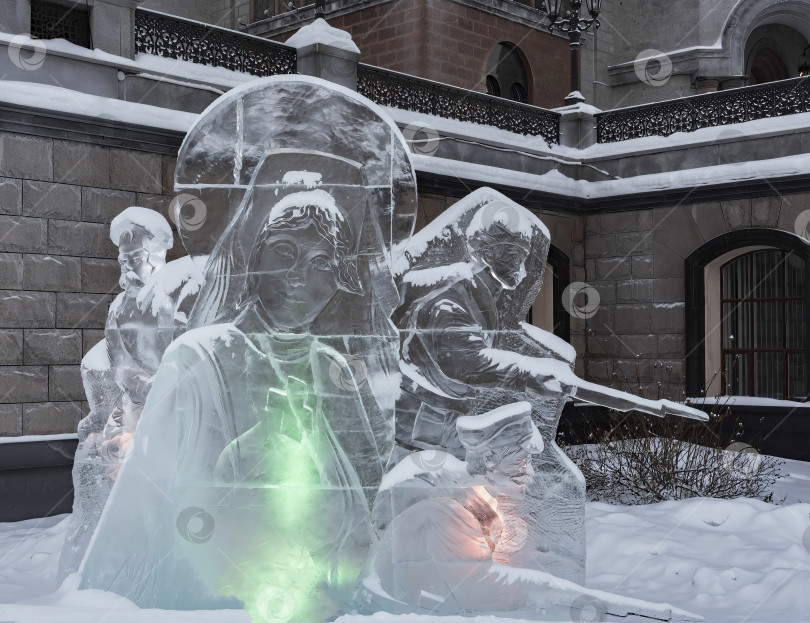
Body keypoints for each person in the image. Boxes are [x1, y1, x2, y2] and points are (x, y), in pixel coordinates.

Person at [79, 154, 384, 623]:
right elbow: (165, 505)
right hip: (234, 596)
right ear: (254, 255)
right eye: (285, 250)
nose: (301, 274)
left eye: (323, 260)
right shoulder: (202, 356)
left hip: (334, 595)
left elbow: (366, 483)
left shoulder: (332, 366)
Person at [364, 402, 700, 622]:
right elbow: (481, 587)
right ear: (491, 460)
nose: (531, 472)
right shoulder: (450, 512)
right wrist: (554, 593)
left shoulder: (477, 505)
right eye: (521, 461)